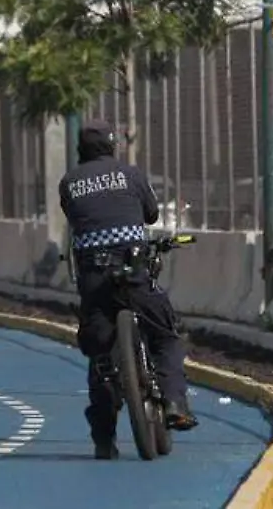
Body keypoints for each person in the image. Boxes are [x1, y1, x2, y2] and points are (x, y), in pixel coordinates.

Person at [58, 119, 198, 461]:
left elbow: (77, 219)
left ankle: (104, 439)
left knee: (101, 356)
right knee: (166, 334)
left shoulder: (69, 183)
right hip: (133, 272)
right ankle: (175, 403)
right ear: (112, 145)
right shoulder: (130, 174)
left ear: (81, 149)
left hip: (94, 279)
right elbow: (150, 215)